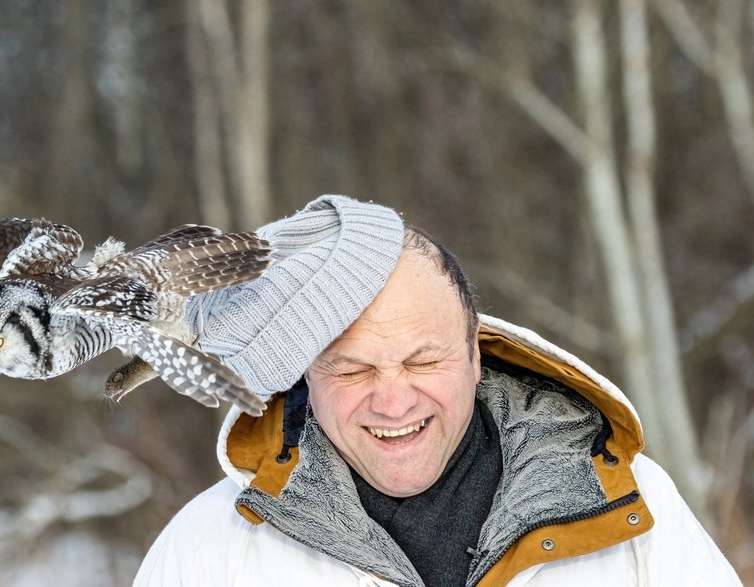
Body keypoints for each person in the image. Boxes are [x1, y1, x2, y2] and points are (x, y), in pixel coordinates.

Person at [133, 195, 742, 586]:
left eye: (423, 361)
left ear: (478, 355)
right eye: (351, 370)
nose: (393, 402)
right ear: (305, 377)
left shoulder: (631, 506)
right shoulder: (211, 552)